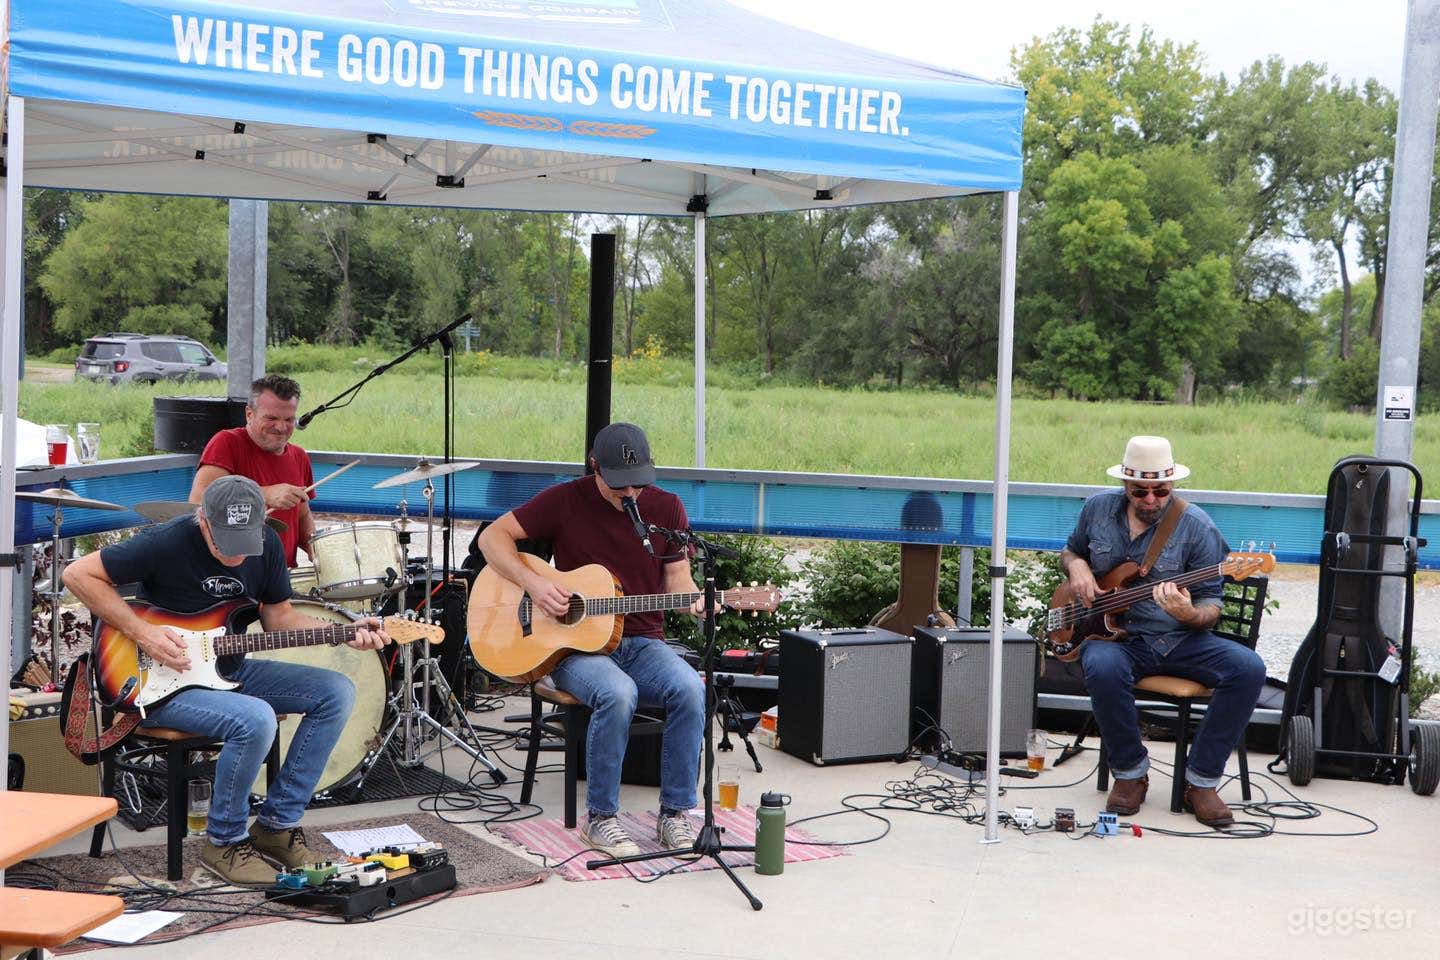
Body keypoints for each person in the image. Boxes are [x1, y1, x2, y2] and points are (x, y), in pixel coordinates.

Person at [64, 476, 389, 884]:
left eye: (245, 541)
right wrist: (143, 632)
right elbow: (77, 575)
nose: (236, 555)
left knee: (335, 692)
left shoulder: (268, 546)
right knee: (254, 719)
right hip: (154, 684)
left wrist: (346, 632)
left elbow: (280, 619)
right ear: (203, 520)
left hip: (226, 671)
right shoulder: (165, 541)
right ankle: (224, 843)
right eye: (225, 543)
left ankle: (275, 828)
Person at [478, 422, 706, 858]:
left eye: (639, 484)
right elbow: (493, 537)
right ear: (594, 467)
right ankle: (600, 820)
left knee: (691, 689)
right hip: (571, 645)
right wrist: (535, 584)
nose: (631, 495)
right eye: (620, 485)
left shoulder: (668, 508)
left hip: (641, 641)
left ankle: (676, 814)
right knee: (618, 693)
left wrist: (698, 602)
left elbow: (679, 581)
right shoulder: (565, 500)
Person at [1060, 436, 1264, 828]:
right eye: (1141, 491)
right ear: (1125, 486)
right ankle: (1131, 772)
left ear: (1172, 486)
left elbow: (1212, 606)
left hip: (1180, 639)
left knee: (1249, 669)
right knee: (1100, 666)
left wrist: (1188, 613)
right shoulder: (1097, 510)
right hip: (1119, 640)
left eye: (1161, 490)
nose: (1151, 499)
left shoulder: (1197, 526)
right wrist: (1078, 567)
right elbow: (1071, 551)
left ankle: (1201, 782)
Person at [190, 374, 314, 568]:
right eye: (271, 418)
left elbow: (302, 514)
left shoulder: (299, 456)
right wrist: (262, 495)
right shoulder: (227, 442)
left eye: (289, 419)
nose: (281, 427)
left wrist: (318, 548)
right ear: (249, 414)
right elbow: (198, 500)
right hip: (233, 573)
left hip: (280, 577)